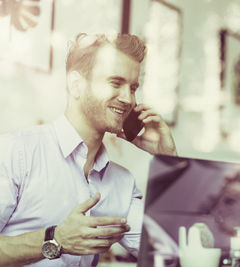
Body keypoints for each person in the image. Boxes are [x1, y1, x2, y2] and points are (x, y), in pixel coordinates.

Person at [0, 33, 177, 267]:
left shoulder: (121, 183)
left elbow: (171, 248)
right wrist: (55, 239)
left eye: (133, 88)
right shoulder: (16, 152)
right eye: (116, 83)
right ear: (76, 85)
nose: (128, 99)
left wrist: (169, 161)